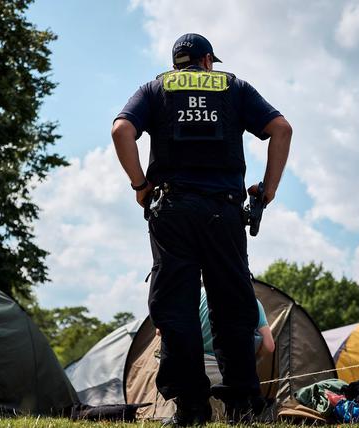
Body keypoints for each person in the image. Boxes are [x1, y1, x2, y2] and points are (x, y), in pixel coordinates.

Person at [111, 33, 292, 425]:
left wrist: (140, 185)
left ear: (178, 62)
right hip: (224, 213)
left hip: (172, 210)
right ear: (208, 60)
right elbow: (282, 129)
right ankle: (243, 404)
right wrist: (268, 189)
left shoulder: (155, 88)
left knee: (176, 309)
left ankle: (190, 408)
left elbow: (121, 130)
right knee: (233, 307)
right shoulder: (234, 86)